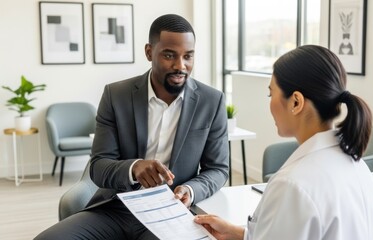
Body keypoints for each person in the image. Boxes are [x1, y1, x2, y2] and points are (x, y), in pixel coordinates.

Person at [35, 14, 229, 240]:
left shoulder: (211, 101)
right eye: (169, 55)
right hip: (116, 207)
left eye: (188, 56)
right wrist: (134, 168)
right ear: (149, 52)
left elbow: (218, 169)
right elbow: (98, 166)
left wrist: (190, 190)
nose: (180, 66)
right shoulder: (115, 95)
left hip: (171, 212)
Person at [194, 45, 373, 240]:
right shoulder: (358, 167)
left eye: (271, 93)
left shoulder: (293, 184)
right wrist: (239, 234)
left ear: (296, 102)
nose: (270, 103)